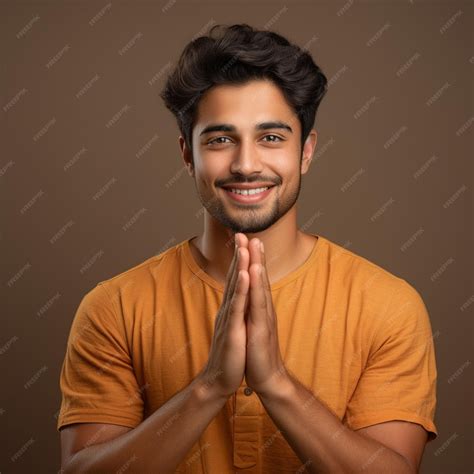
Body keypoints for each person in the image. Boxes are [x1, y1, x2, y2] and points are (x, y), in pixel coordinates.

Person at [57, 23, 437, 473]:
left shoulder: (388, 307)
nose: (246, 164)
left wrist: (276, 383)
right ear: (187, 154)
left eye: (271, 138)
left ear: (307, 151)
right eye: (220, 140)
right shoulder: (113, 308)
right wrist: (209, 387)